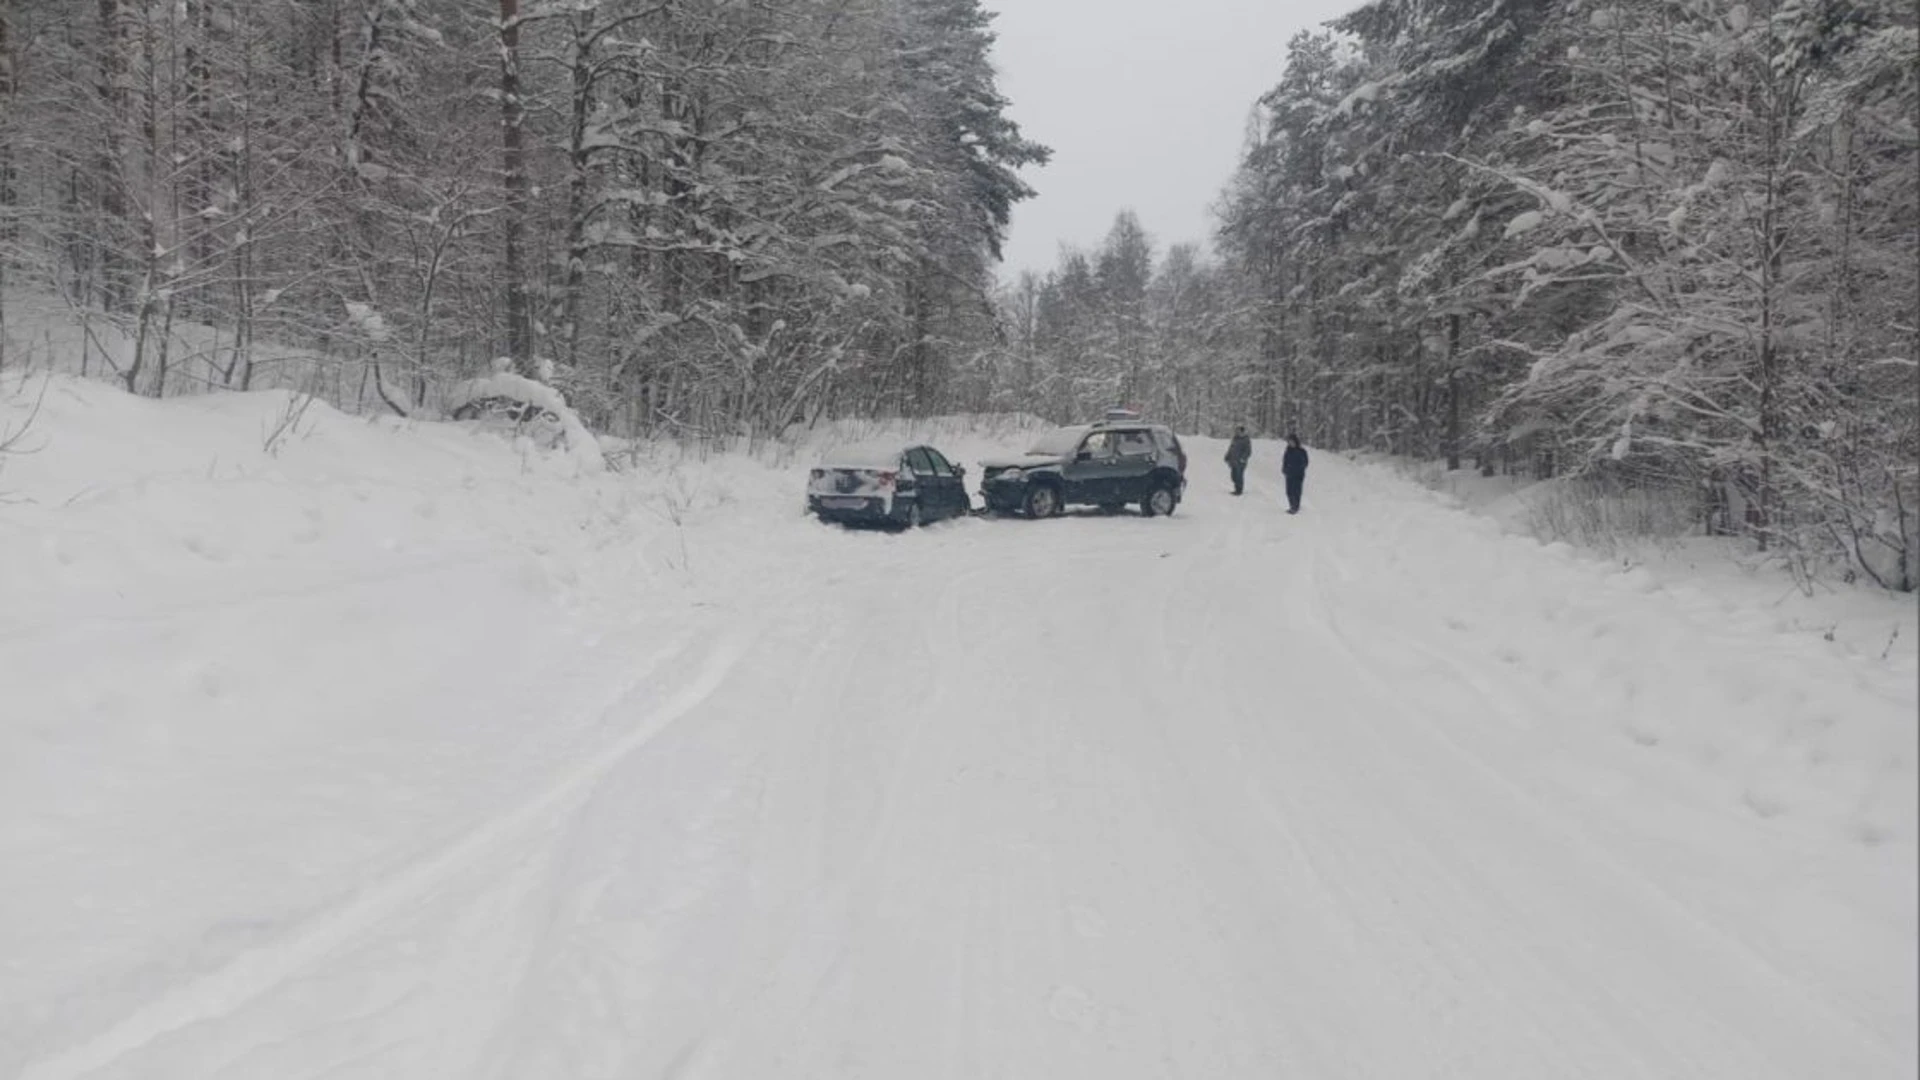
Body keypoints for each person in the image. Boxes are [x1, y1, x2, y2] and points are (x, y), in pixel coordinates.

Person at [1281, 433, 1309, 514]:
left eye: (1292, 442)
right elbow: (1285, 461)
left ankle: (1295, 507)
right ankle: (1291, 505)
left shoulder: (1301, 451)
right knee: (1289, 491)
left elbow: (1305, 462)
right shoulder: (1287, 451)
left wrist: (1299, 468)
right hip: (1289, 474)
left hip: (1298, 475)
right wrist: (1284, 469)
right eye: (1289, 442)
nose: (1290, 443)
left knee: (1296, 491)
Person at [1224, 424, 1252, 495]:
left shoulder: (1246, 440)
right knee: (1233, 476)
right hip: (1233, 461)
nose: (1237, 432)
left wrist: (1243, 458)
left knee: (1239, 475)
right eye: (1236, 431)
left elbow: (1248, 451)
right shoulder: (1235, 439)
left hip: (1240, 462)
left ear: (1242, 432)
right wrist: (1227, 456)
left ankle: (1239, 490)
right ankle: (1236, 488)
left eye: (1238, 431)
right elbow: (1231, 448)